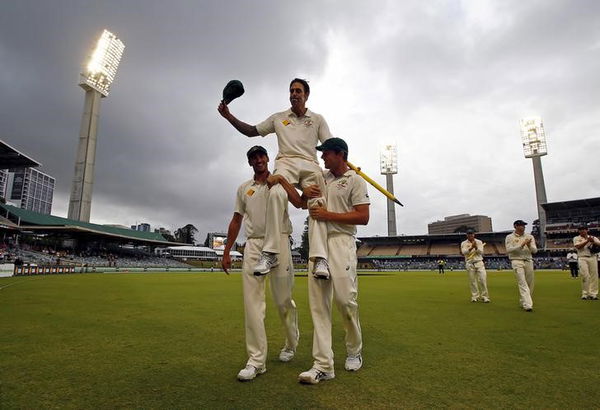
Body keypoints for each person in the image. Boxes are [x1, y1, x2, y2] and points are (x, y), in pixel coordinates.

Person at [218, 78, 331, 279]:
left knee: (317, 202)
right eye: (291, 91)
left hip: (310, 164)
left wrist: (343, 160)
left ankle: (321, 258)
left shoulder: (318, 119)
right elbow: (252, 131)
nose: (294, 94)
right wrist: (229, 117)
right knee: (276, 192)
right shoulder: (279, 118)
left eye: (298, 90)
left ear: (306, 95)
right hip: (286, 162)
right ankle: (270, 253)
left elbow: (330, 144)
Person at [293, 137, 370, 384]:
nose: (323, 157)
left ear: (340, 154)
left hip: (341, 242)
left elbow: (363, 217)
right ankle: (323, 364)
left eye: (326, 153)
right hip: (319, 245)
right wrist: (301, 190)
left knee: (345, 301)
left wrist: (328, 215)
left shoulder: (355, 180)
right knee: (318, 305)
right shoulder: (321, 179)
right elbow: (301, 203)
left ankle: (354, 350)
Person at [221, 146, 299, 381]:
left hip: (280, 242)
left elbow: (299, 203)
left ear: (267, 158)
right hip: (254, 246)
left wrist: (284, 181)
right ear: (250, 163)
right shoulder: (244, 189)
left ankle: (290, 343)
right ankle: (256, 361)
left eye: (261, 156)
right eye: (253, 158)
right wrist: (226, 251)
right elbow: (236, 220)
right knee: (252, 305)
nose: (258, 160)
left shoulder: (278, 182)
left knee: (283, 301)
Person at [505, 220, 538, 312]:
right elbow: (509, 249)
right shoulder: (509, 237)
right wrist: (521, 245)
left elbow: (535, 251)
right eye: (521, 225)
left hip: (528, 260)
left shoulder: (529, 236)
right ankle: (528, 304)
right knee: (522, 282)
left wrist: (529, 245)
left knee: (530, 283)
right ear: (515, 226)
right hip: (516, 260)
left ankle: (523, 301)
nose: (523, 227)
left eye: (524, 225)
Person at [460, 229, 490, 303]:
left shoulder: (479, 242)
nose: (470, 235)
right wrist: (471, 248)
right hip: (470, 263)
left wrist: (476, 247)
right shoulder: (464, 243)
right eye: (469, 234)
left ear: (474, 234)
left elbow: (481, 252)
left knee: (482, 280)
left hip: (479, 262)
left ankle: (485, 297)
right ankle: (475, 296)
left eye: (471, 234)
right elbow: (464, 252)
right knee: (472, 281)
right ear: (467, 235)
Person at [573, 225, 600, 300]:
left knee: (594, 276)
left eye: (584, 229)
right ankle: (585, 293)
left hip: (593, 257)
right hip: (582, 257)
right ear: (578, 231)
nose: (582, 231)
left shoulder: (593, 237)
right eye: (580, 230)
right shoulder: (576, 238)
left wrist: (593, 241)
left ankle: (593, 294)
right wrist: (587, 241)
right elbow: (578, 247)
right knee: (585, 275)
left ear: (587, 230)